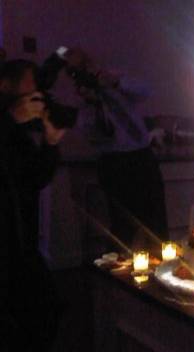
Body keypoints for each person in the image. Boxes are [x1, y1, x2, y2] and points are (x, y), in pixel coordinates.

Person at [0, 59, 66, 352]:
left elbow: (35, 178)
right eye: (30, 87)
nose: (36, 95)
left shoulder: (21, 130)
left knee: (46, 310)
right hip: (7, 244)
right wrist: (12, 121)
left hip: (20, 243)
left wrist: (52, 143)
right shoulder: (8, 124)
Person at [66, 48, 168, 255]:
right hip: (114, 163)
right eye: (76, 70)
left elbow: (145, 91)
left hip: (141, 156)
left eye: (86, 65)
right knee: (122, 225)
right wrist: (93, 104)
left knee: (156, 220)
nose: (85, 71)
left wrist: (114, 83)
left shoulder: (115, 81)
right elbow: (95, 135)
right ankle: (119, 275)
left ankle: (163, 268)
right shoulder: (82, 101)